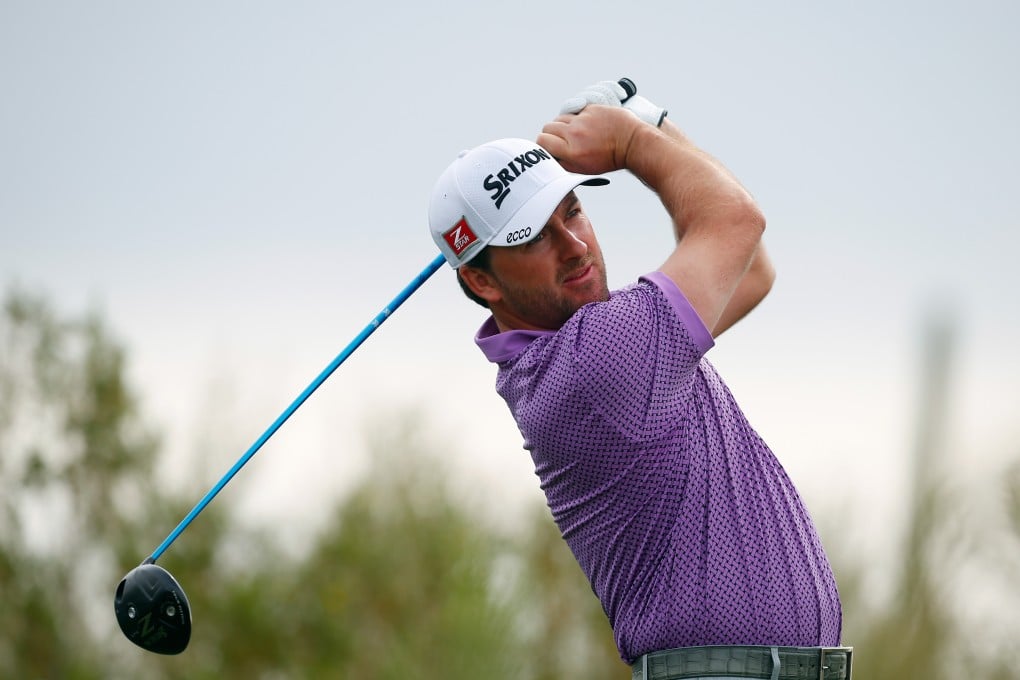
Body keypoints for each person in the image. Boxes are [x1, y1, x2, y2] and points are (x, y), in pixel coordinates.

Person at [428, 80, 852, 680]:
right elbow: (735, 220)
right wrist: (630, 139)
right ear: (483, 283)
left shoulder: (607, 349)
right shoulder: (597, 361)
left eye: (572, 210)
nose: (573, 246)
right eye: (534, 237)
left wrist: (650, 124)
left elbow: (750, 269)